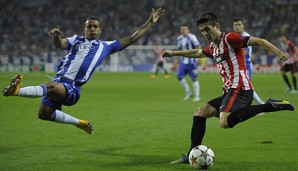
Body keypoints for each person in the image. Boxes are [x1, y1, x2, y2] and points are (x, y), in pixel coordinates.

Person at [2, 8, 165, 135]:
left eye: (95, 27)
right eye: (89, 26)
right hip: (59, 80)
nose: (92, 29)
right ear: (84, 29)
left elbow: (132, 38)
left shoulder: (106, 46)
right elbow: (59, 44)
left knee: (50, 87)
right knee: (44, 115)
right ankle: (80, 123)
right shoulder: (75, 40)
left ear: (100, 30)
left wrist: (150, 22)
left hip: (72, 88)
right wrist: (56, 36)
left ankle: (16, 91)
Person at [162, 12, 295, 164]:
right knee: (200, 113)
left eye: (207, 29)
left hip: (241, 89)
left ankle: (270, 106)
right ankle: (191, 155)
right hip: (229, 90)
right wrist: (173, 53)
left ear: (216, 26)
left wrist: (278, 52)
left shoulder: (230, 38)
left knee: (224, 123)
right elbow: (197, 53)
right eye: (202, 31)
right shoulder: (213, 47)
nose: (205, 33)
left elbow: (259, 41)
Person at [233, 18, 264, 104]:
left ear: (243, 26)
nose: (237, 27)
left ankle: (260, 103)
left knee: (246, 87)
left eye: (239, 25)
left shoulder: (246, 37)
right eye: (235, 25)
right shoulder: (234, 37)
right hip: (238, 66)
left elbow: (244, 52)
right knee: (239, 87)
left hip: (246, 66)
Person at [176, 24, 201, 102]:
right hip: (183, 61)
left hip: (192, 61)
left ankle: (197, 96)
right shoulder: (179, 38)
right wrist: (177, 58)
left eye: (184, 29)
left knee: (194, 78)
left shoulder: (192, 37)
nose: (183, 31)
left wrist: (199, 57)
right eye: (182, 29)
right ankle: (188, 92)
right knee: (179, 76)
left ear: (188, 30)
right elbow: (179, 49)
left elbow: (198, 46)